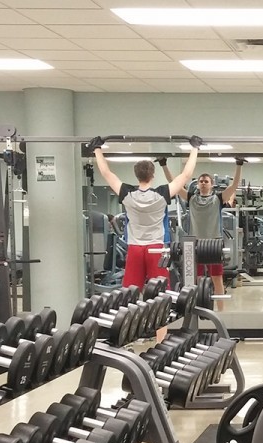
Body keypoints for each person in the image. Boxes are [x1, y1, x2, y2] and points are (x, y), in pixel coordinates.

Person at [91, 135, 200, 340]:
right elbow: (186, 175)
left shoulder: (127, 193)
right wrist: (194, 148)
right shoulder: (161, 194)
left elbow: (106, 173)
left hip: (135, 249)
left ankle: (126, 339)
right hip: (156, 249)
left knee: (129, 296)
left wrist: (97, 149)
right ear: (152, 175)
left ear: (136, 175)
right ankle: (161, 340)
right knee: (161, 296)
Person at [167, 158, 244, 310]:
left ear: (211, 184)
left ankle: (221, 311)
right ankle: (197, 309)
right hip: (195, 245)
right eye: (201, 181)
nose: (203, 183)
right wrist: (164, 165)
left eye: (206, 181)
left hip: (213, 244)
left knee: (217, 279)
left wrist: (239, 165)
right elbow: (174, 184)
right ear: (197, 184)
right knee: (196, 279)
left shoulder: (218, 199)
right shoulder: (191, 198)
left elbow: (234, 185)